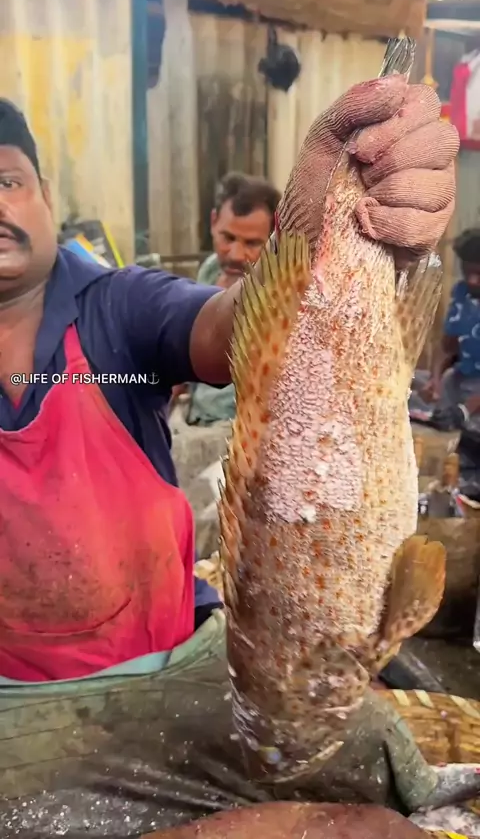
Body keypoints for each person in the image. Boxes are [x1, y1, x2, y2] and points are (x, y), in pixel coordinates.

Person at [0, 80, 464, 838]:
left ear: (45, 194)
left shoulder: (117, 307)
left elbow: (227, 327)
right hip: (12, 703)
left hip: (176, 664)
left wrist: (312, 232)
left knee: (366, 750)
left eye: (6, 181)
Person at [182, 172, 280, 425]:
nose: (236, 254)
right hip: (195, 418)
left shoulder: (282, 293)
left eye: (252, 243)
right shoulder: (210, 270)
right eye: (228, 238)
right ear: (213, 222)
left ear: (273, 238)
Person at [420, 228, 480, 431]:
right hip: (461, 378)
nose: (472, 280)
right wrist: (435, 378)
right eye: (467, 272)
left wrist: (465, 410)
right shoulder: (462, 294)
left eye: (479, 274)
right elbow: (448, 346)